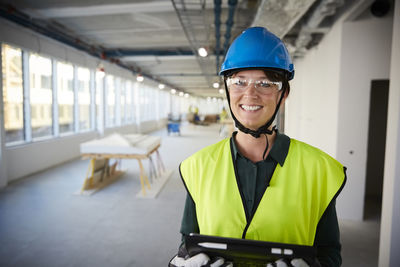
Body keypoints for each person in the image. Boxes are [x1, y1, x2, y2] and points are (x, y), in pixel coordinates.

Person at [169, 27, 346, 267]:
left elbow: (329, 253)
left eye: (265, 83)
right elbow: (187, 244)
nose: (250, 93)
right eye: (239, 81)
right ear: (228, 89)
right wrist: (179, 263)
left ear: (283, 94)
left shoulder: (320, 170)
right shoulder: (197, 166)